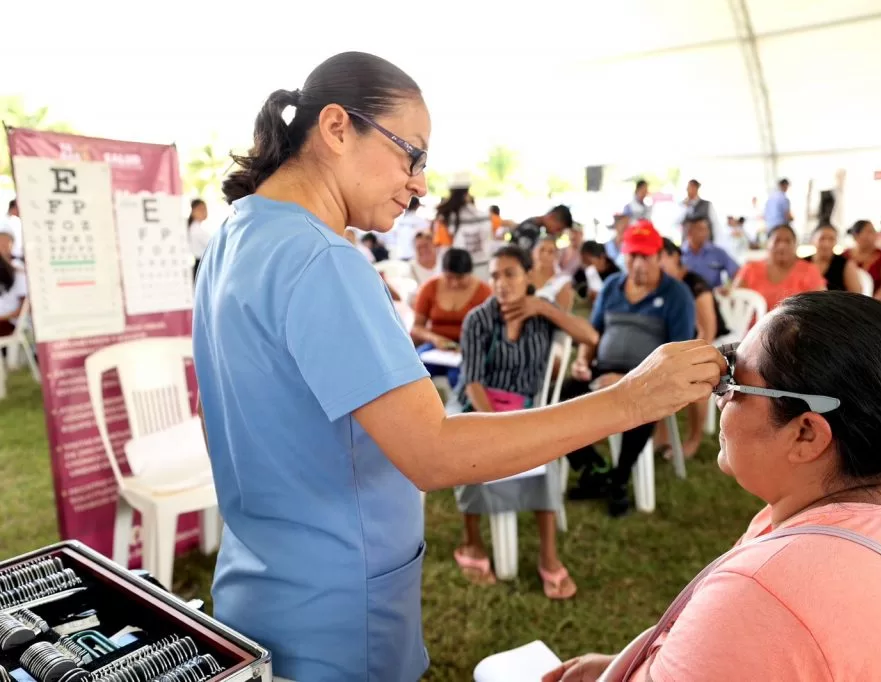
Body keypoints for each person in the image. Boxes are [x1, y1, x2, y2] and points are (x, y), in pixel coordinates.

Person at [193, 52, 726, 681]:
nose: (421, 183)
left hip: (259, 585)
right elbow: (434, 452)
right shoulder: (323, 261)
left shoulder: (237, 232)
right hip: (337, 609)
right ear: (337, 129)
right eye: (410, 154)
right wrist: (631, 400)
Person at [545, 291, 881, 682]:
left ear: (806, 434)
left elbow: (770, 627)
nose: (718, 397)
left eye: (733, 382)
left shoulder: (765, 594)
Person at [452, 245, 600, 598]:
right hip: (481, 405)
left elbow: (590, 337)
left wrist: (545, 308)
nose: (501, 283)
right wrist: (497, 425)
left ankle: (548, 556)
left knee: (544, 450)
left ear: (527, 276)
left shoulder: (541, 316)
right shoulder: (478, 320)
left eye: (510, 274)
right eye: (495, 275)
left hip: (526, 408)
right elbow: (472, 382)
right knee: (471, 449)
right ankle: (471, 543)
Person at [561, 221, 696, 517]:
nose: (637, 264)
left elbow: (678, 355)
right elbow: (593, 335)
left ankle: (619, 479)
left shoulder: (677, 294)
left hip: (650, 377)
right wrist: (583, 359)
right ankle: (594, 467)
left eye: (645, 256)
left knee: (644, 401)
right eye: (632, 255)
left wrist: (629, 380)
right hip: (604, 369)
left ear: (659, 256)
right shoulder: (612, 286)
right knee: (565, 394)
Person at [657, 238, 728, 456]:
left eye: (659, 257)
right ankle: (662, 435)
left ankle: (694, 438)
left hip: (715, 340)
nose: (654, 263)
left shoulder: (695, 284)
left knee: (695, 374)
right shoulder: (662, 284)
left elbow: (708, 330)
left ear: (675, 256)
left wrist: (690, 356)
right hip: (679, 341)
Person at [411, 248, 490, 386]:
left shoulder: (484, 292)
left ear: (470, 273)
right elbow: (417, 328)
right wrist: (435, 339)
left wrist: (468, 346)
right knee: (414, 371)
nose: (454, 283)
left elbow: (490, 330)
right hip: (435, 346)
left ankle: (456, 407)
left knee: (459, 377)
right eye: (449, 277)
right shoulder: (429, 287)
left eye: (459, 278)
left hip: (468, 347)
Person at [733, 224, 825, 311]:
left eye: (788, 241)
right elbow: (734, 300)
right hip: (753, 326)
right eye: (777, 241)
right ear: (767, 244)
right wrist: (725, 295)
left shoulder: (809, 270)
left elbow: (821, 305)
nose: (782, 246)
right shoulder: (750, 268)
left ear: (796, 245)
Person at [435, 182, 492, 278]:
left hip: (456, 272)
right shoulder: (484, 216)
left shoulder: (445, 217)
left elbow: (444, 248)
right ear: (468, 191)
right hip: (483, 268)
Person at [844, 220, 881, 302]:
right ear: (856, 236)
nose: (875, 234)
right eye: (869, 231)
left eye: (874, 231)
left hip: (876, 305)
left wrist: (871, 302)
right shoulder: (845, 256)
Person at [681, 217, 739, 289]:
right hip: (688, 296)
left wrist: (730, 287)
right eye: (701, 229)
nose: (706, 233)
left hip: (714, 296)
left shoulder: (717, 252)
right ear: (689, 232)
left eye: (706, 229)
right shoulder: (679, 254)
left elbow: (737, 273)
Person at [803, 223, 859, 292]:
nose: (826, 244)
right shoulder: (802, 263)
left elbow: (856, 294)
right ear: (812, 240)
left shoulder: (845, 264)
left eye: (831, 239)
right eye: (822, 238)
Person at [529, 235, 574, 310]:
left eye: (550, 252)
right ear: (533, 252)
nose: (545, 255)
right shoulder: (523, 275)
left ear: (557, 256)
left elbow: (563, 315)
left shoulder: (563, 282)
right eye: (541, 250)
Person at [0, 225, 26, 337]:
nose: (3, 247)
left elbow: (21, 310)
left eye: (6, 244)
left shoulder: (18, 270)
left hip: (8, 323)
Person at [391, 196, 431, 261]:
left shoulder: (398, 221)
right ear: (417, 206)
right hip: (414, 256)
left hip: (401, 255)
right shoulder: (421, 222)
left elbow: (394, 236)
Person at [187, 198, 211, 282]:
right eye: (201, 209)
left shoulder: (194, 228)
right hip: (201, 266)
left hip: (200, 266)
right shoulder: (196, 230)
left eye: (205, 209)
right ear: (193, 211)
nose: (205, 212)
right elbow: (214, 246)